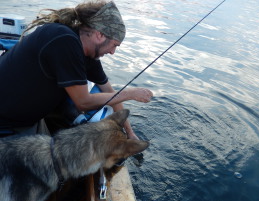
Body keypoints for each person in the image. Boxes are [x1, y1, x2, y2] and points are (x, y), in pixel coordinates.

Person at [0, 0, 153, 139]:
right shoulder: (64, 41)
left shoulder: (87, 53)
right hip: (7, 123)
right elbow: (84, 102)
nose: (113, 52)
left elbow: (111, 94)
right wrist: (130, 94)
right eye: (114, 45)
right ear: (99, 35)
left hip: (28, 119)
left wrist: (130, 133)